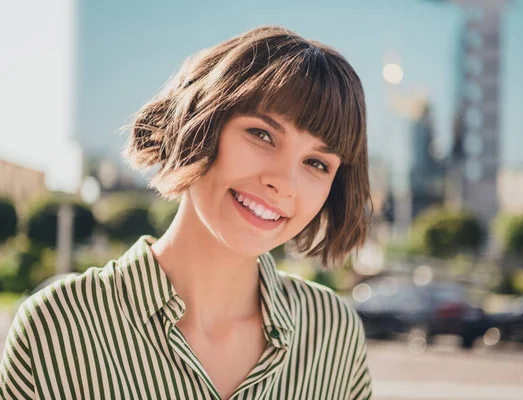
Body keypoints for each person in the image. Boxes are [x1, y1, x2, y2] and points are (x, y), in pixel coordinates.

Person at [0, 25, 372, 399]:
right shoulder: (56, 329)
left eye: (316, 163)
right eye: (262, 134)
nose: (285, 183)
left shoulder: (334, 335)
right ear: (200, 126)